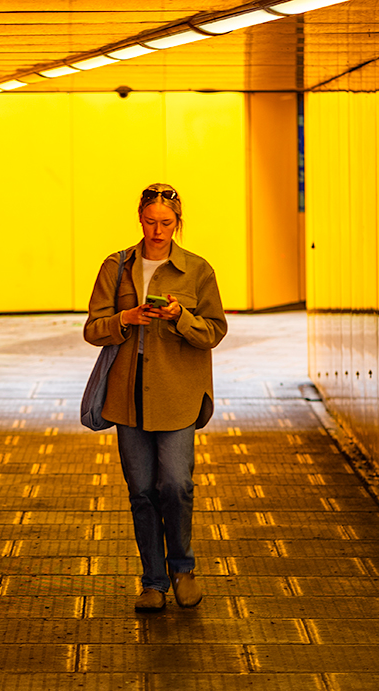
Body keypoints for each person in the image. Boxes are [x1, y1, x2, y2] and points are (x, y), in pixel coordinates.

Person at [83, 183, 227, 612]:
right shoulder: (117, 265)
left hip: (177, 393)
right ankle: (153, 582)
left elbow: (214, 332)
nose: (157, 230)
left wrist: (181, 317)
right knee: (141, 490)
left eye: (166, 223)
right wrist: (124, 318)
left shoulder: (197, 271)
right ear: (139, 219)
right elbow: (93, 328)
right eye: (150, 222)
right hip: (127, 395)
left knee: (176, 485)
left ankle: (183, 571)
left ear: (177, 222)